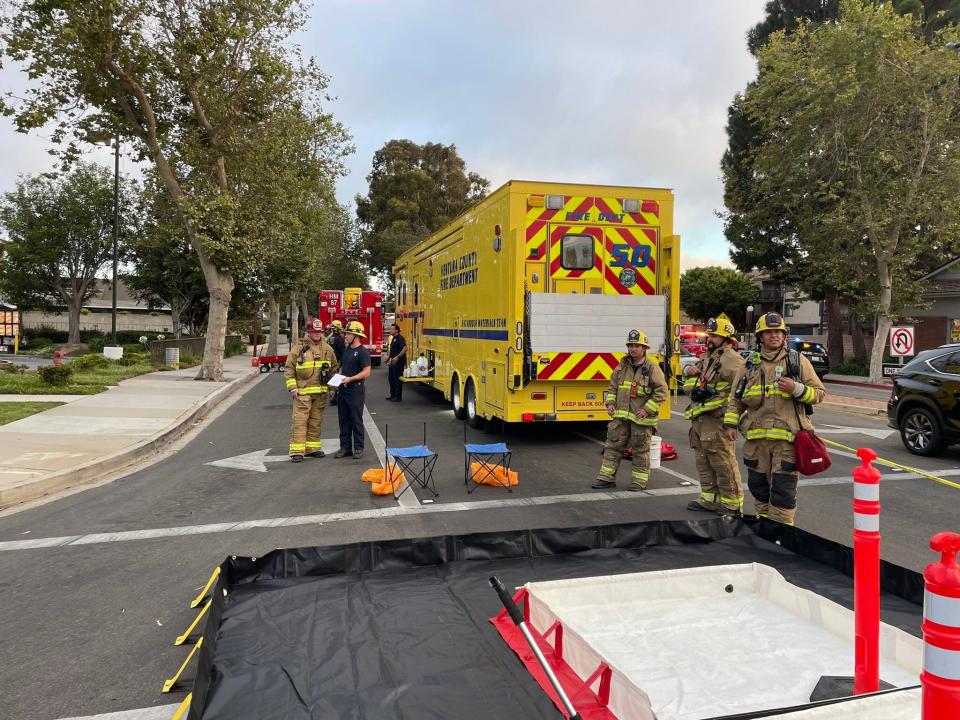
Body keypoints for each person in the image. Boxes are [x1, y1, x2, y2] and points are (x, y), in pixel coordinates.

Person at [723, 312, 825, 525]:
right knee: (759, 490)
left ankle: (782, 536)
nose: (773, 336)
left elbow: (818, 393)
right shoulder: (749, 365)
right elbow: (735, 399)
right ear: (760, 337)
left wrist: (796, 388)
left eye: (777, 331)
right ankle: (765, 532)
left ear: (784, 334)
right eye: (768, 332)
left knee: (783, 493)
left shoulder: (797, 361)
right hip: (756, 442)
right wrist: (730, 424)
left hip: (786, 443)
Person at [682, 313, 746, 517]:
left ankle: (732, 506)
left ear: (727, 339)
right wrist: (688, 371)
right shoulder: (707, 357)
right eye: (709, 335)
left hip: (716, 421)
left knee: (723, 463)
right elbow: (694, 385)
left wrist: (726, 414)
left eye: (714, 336)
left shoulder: (733, 361)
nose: (709, 338)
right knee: (703, 461)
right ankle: (709, 499)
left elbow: (743, 393)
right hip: (700, 419)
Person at [591, 329, 668, 491]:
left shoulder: (652, 368)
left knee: (640, 450)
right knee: (612, 446)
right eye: (631, 345)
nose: (633, 349)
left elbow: (662, 392)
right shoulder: (622, 366)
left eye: (637, 346)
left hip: (641, 419)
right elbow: (613, 387)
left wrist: (647, 409)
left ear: (644, 348)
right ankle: (606, 478)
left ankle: (639, 481)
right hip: (620, 417)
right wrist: (610, 403)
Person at [284, 317, 338, 462]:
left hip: (320, 393)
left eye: (319, 332)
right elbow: (289, 368)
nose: (317, 334)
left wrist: (332, 389)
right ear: (308, 331)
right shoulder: (299, 348)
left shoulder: (327, 348)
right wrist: (292, 388)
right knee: (300, 421)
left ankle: (312, 448)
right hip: (302, 392)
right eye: (314, 332)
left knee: (315, 421)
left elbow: (334, 369)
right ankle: (297, 451)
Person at [334, 320, 372, 460]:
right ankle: (345, 447)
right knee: (343, 420)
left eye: (348, 333)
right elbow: (342, 368)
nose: (345, 336)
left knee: (356, 420)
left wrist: (351, 378)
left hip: (355, 390)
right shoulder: (347, 350)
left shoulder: (362, 352)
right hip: (343, 390)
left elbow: (367, 372)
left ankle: (358, 448)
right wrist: (336, 382)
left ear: (356, 335)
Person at [385, 323, 407, 401]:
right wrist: (388, 358)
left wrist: (398, 357)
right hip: (392, 361)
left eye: (392, 329)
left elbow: (405, 348)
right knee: (391, 379)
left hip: (398, 362)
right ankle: (392, 395)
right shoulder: (393, 338)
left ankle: (398, 397)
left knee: (397, 379)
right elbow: (393, 351)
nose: (390, 330)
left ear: (396, 330)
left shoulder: (400, 338)